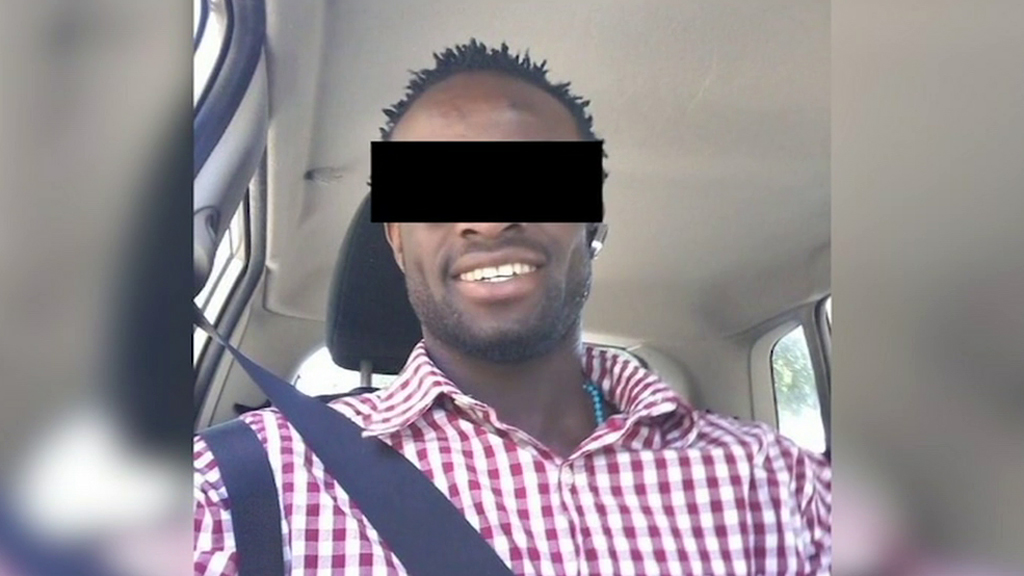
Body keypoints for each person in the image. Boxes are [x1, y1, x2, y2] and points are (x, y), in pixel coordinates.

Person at [194, 38, 831, 575]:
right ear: (397, 239)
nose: (491, 218)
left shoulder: (774, 482)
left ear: (590, 220)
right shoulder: (241, 485)